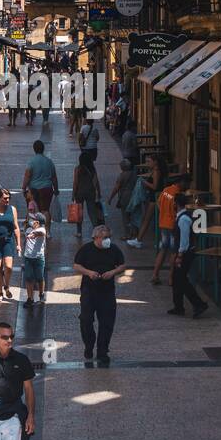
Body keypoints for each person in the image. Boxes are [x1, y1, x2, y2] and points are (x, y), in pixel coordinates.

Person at [72, 224, 127, 364]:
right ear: (96, 238)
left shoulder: (113, 249)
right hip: (89, 291)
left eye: (109, 237)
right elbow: (76, 265)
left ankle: (102, 351)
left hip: (107, 292)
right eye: (104, 238)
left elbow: (122, 265)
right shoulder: (86, 249)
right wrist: (89, 273)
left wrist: (112, 272)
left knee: (107, 322)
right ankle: (89, 345)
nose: (107, 240)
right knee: (86, 320)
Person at [167, 193, 208, 318]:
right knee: (176, 279)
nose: (172, 204)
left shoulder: (183, 219)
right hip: (182, 252)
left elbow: (184, 239)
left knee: (181, 280)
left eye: (173, 202)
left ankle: (199, 304)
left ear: (176, 204)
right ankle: (178, 306)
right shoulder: (181, 216)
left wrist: (179, 255)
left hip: (185, 253)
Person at [150, 173, 188, 285]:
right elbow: (178, 210)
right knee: (174, 252)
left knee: (163, 249)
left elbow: (158, 203)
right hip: (173, 225)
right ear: (180, 182)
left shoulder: (166, 190)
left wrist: (164, 213)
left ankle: (155, 274)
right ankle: (171, 278)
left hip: (163, 224)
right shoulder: (177, 194)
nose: (187, 185)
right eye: (186, 183)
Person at [21, 139, 59, 217]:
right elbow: (54, 177)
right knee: (45, 210)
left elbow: (27, 176)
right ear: (43, 149)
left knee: (33, 210)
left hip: (34, 190)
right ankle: (47, 228)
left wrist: (24, 188)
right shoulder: (49, 161)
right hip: (47, 189)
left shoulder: (31, 161)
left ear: (34, 149)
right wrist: (56, 189)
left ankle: (35, 227)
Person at [71, 152, 104, 239]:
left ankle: (79, 232)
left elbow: (75, 183)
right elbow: (96, 182)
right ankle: (96, 231)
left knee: (79, 212)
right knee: (92, 212)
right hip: (90, 192)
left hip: (80, 193)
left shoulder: (78, 169)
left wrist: (73, 194)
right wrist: (99, 193)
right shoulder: (92, 169)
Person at [109, 157, 141, 244]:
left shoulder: (122, 175)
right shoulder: (135, 174)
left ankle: (127, 234)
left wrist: (110, 198)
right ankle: (135, 233)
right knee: (134, 215)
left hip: (125, 197)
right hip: (135, 196)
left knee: (125, 216)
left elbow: (116, 188)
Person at [135, 153, 165, 244]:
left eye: (149, 161)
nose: (147, 163)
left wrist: (144, 182)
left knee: (147, 219)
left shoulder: (156, 171)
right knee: (155, 219)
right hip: (155, 196)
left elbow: (155, 186)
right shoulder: (155, 170)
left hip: (155, 197)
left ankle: (139, 240)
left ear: (155, 162)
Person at [22, 210, 48, 303]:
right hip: (28, 257)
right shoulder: (29, 229)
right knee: (28, 278)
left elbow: (42, 233)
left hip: (38, 258)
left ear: (38, 222)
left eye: (33, 219)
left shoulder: (41, 229)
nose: (30, 220)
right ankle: (30, 298)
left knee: (40, 278)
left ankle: (41, 294)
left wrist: (34, 234)